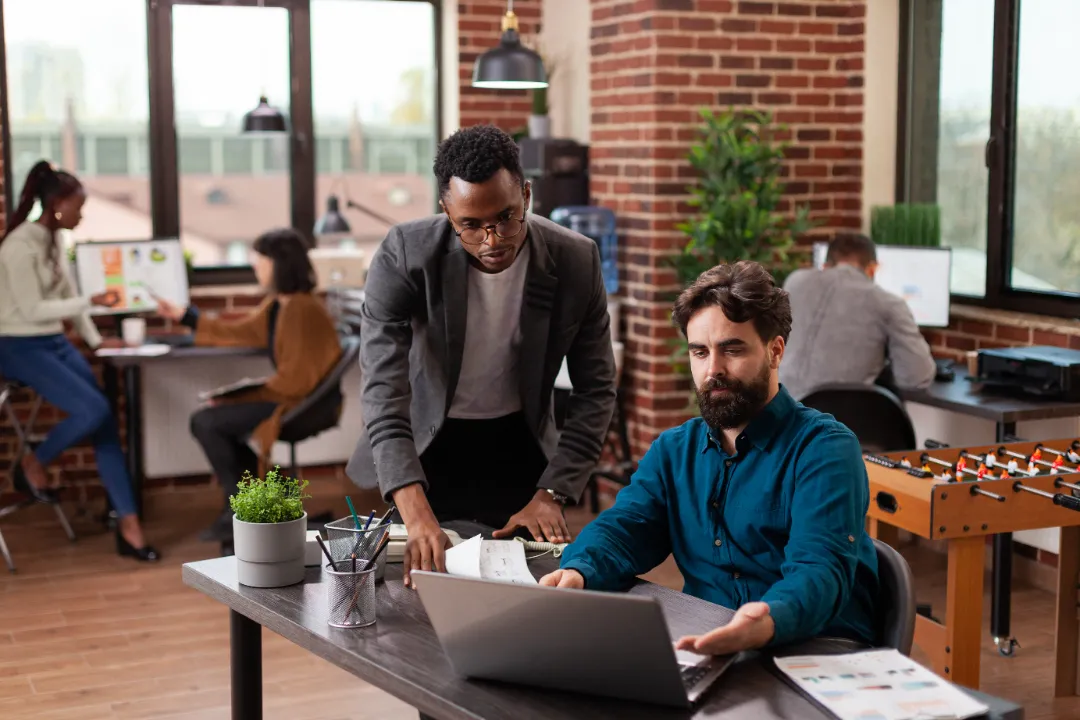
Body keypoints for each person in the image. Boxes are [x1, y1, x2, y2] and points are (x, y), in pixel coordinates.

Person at [540, 261, 879, 656]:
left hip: (813, 648)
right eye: (699, 352)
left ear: (775, 351)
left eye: (731, 349)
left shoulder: (825, 449)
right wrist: (579, 571)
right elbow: (625, 528)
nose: (712, 369)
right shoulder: (674, 450)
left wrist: (765, 619)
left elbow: (819, 570)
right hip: (708, 641)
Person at [346, 124, 617, 587]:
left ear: (527, 196)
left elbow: (597, 389)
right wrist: (413, 510)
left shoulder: (575, 260)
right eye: (471, 225)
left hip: (519, 446)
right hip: (426, 449)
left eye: (506, 218)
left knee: (518, 596)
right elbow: (383, 391)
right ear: (447, 212)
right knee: (417, 598)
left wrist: (553, 491)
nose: (492, 240)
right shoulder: (406, 254)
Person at [0, 160, 159, 562]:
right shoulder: (19, 246)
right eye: (78, 206)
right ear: (56, 205)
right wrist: (91, 301)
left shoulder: (54, 240)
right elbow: (34, 308)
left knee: (103, 420)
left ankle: (129, 525)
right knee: (93, 408)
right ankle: (33, 464)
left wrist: (96, 341)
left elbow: (66, 292)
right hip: (17, 344)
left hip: (52, 340)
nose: (82, 214)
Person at [156, 228, 342, 542]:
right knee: (209, 421)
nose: (256, 266)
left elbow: (297, 383)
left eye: (261, 260)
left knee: (207, 422)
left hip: (303, 405)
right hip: (291, 397)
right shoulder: (279, 305)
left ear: (279, 264)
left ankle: (239, 511)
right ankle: (262, 502)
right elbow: (238, 332)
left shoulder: (301, 310)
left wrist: (234, 399)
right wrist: (186, 317)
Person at [779, 234, 936, 401]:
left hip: (772, 414)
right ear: (873, 269)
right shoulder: (888, 303)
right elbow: (917, 378)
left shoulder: (794, 282)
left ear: (825, 266)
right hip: (833, 421)